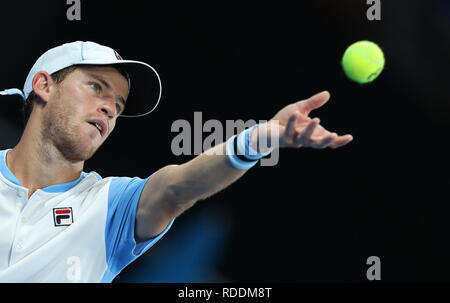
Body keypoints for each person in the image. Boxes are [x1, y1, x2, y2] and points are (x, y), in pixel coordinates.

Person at [0, 41, 353, 282]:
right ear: (44, 86)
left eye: (119, 105)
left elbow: (176, 188)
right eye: (96, 87)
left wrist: (257, 140)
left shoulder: (110, 206)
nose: (110, 107)